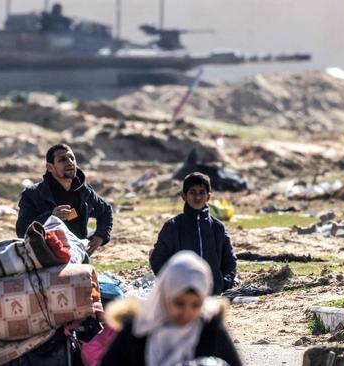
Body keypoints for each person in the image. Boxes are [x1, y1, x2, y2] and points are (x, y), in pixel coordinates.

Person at [101, 251, 241, 366]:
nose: (187, 312)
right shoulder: (138, 330)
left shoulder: (210, 328)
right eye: (179, 303)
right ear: (165, 295)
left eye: (195, 305)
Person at [16, 143, 112, 256]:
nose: (70, 162)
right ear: (50, 167)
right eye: (62, 159)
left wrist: (100, 236)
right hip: (47, 255)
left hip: (77, 254)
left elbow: (105, 211)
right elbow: (22, 231)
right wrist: (50, 217)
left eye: (72, 158)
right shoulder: (32, 194)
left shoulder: (84, 191)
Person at [149, 172, 236, 294]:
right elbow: (157, 259)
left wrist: (223, 283)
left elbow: (229, 260)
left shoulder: (217, 227)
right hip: (182, 296)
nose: (197, 197)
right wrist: (172, 283)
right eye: (192, 192)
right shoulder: (173, 226)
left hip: (213, 296)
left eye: (202, 192)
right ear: (183, 196)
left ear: (208, 196)